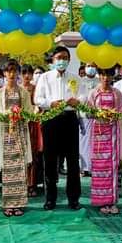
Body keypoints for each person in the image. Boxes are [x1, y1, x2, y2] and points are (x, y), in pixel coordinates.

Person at [34, 46, 87, 210]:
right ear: (53, 60)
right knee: (50, 161)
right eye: (59, 57)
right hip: (51, 119)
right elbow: (37, 98)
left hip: (70, 120)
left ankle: (73, 199)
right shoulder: (45, 77)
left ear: (69, 60)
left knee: (72, 162)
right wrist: (51, 103)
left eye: (65, 57)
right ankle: (50, 199)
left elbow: (84, 96)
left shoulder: (75, 77)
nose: (62, 60)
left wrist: (77, 101)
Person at [0, 60, 33, 216]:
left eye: (15, 71)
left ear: (18, 73)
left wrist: (20, 115)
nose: (12, 74)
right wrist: (7, 115)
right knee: (8, 169)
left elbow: (30, 112)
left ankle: (20, 203)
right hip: (5, 134)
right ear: (4, 73)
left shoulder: (24, 93)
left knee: (20, 167)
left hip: (21, 133)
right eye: (9, 71)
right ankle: (8, 204)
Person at [87, 67, 122, 215]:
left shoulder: (117, 93)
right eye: (103, 74)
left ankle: (112, 201)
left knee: (112, 168)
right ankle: (101, 201)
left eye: (108, 75)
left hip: (113, 135)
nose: (105, 78)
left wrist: (114, 115)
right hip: (98, 136)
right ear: (99, 76)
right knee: (99, 168)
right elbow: (87, 112)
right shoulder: (93, 93)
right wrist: (98, 114)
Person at [21, 64, 43, 197]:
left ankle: (32, 184)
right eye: (24, 73)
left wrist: (36, 109)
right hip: (19, 124)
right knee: (21, 155)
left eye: (29, 73)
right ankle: (21, 183)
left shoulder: (36, 89)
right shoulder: (17, 89)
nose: (27, 76)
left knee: (33, 155)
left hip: (33, 125)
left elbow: (39, 105)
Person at [79, 62, 99, 176]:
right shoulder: (80, 81)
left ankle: (95, 167)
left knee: (96, 142)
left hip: (97, 116)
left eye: (93, 66)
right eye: (88, 66)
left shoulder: (100, 82)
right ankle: (84, 168)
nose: (90, 68)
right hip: (83, 115)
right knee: (83, 142)